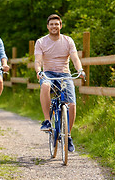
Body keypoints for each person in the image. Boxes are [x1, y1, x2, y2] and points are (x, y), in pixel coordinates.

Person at [34, 14, 85, 152]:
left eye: (56, 24)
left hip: (64, 74)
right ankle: (47, 121)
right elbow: (38, 60)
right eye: (51, 24)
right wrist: (39, 71)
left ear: (60, 25)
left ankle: (67, 135)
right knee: (45, 85)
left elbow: (74, 58)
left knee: (72, 104)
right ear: (47, 26)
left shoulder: (68, 41)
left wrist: (80, 69)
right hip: (48, 73)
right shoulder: (41, 42)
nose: (54, 26)